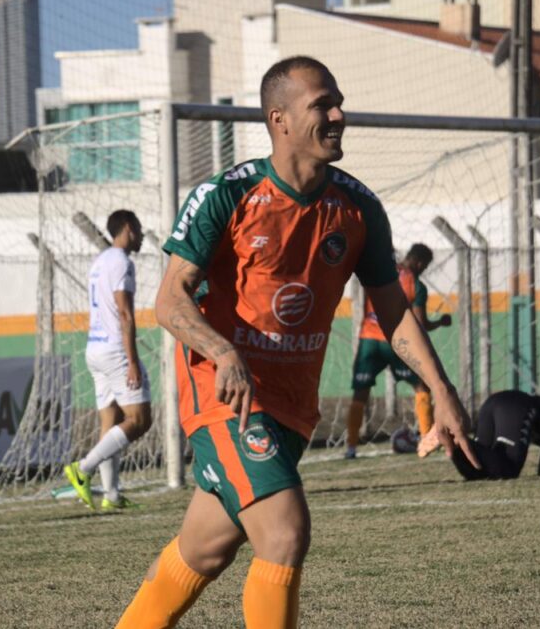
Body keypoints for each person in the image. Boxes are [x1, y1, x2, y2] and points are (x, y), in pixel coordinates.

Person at [114, 56, 477, 629]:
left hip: (291, 404)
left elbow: (392, 309)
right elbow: (170, 301)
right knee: (284, 534)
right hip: (223, 397)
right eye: (322, 105)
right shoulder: (225, 195)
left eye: (339, 102)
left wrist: (443, 389)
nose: (339, 115)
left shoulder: (358, 207)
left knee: (205, 549)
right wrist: (224, 352)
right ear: (279, 119)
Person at [64, 210, 151, 510]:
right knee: (139, 419)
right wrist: (133, 361)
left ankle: (111, 495)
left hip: (94, 348)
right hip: (115, 350)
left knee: (110, 420)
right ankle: (83, 469)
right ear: (128, 228)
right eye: (138, 229)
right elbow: (125, 313)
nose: (140, 236)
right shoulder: (121, 262)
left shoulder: (99, 262)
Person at [345, 243, 451, 459]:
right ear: (420, 263)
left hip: (369, 340)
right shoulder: (416, 284)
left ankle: (351, 447)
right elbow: (420, 323)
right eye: (426, 265)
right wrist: (440, 322)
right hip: (396, 340)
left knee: (360, 394)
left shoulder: (382, 271)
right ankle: (426, 439)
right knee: (421, 387)